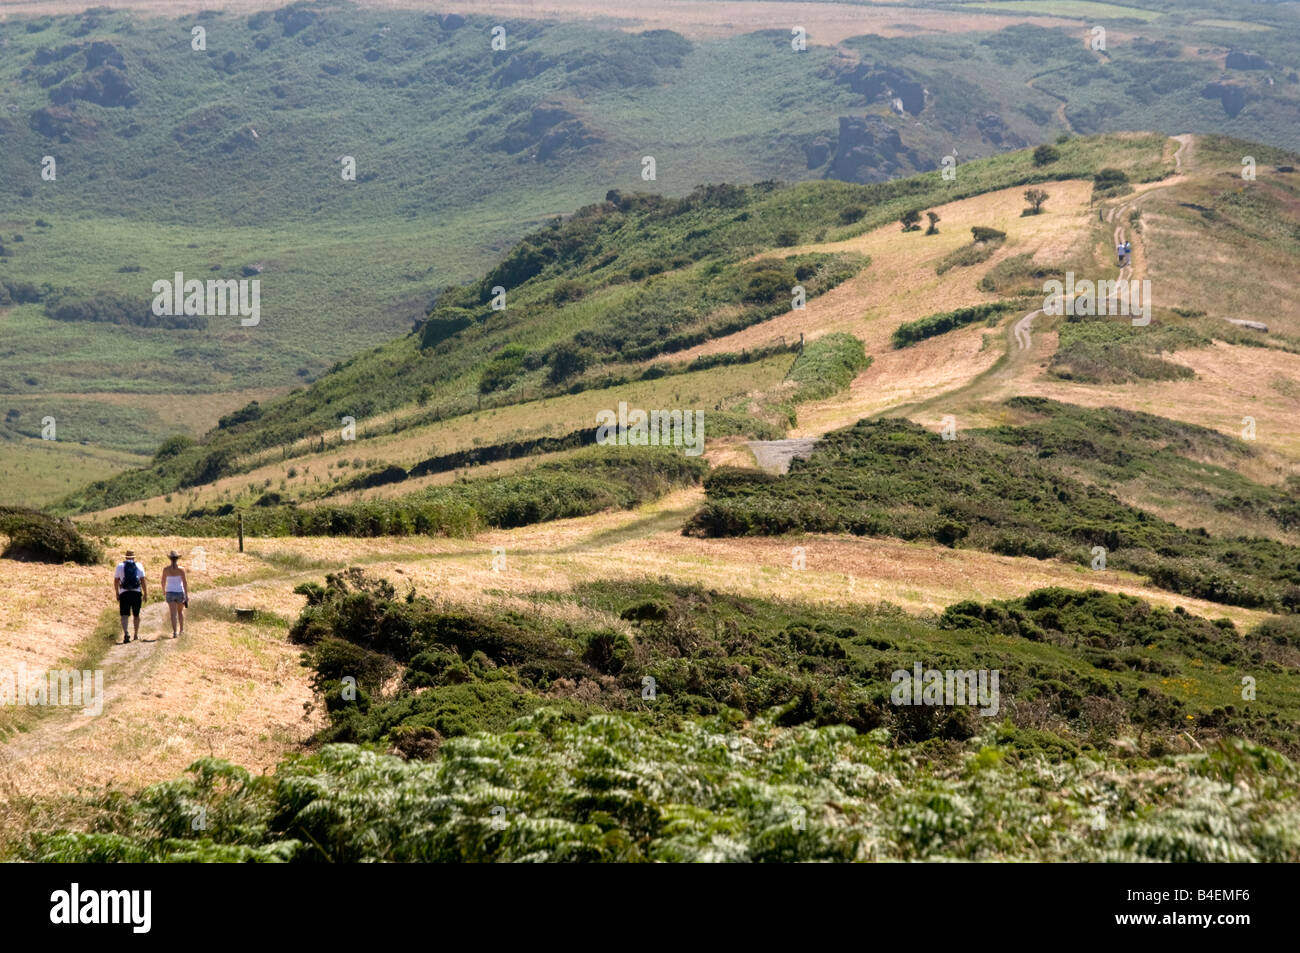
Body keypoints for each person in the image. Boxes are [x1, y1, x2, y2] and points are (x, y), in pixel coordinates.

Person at [114, 550, 147, 643]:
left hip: (124, 593)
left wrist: (117, 593)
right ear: (134, 557)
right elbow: (143, 580)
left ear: (125, 557)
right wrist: (145, 593)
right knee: (136, 614)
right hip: (136, 592)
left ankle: (126, 633)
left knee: (124, 614)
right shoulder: (139, 566)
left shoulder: (120, 566)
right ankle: (136, 634)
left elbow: (116, 580)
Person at [160, 550, 189, 639]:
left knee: (173, 613)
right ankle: (181, 630)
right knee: (180, 612)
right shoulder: (181, 569)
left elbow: (163, 581)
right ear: (177, 559)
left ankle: (174, 632)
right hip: (180, 591)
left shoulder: (166, 569)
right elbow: (185, 582)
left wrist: (164, 590)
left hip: (170, 591)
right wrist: (186, 595)